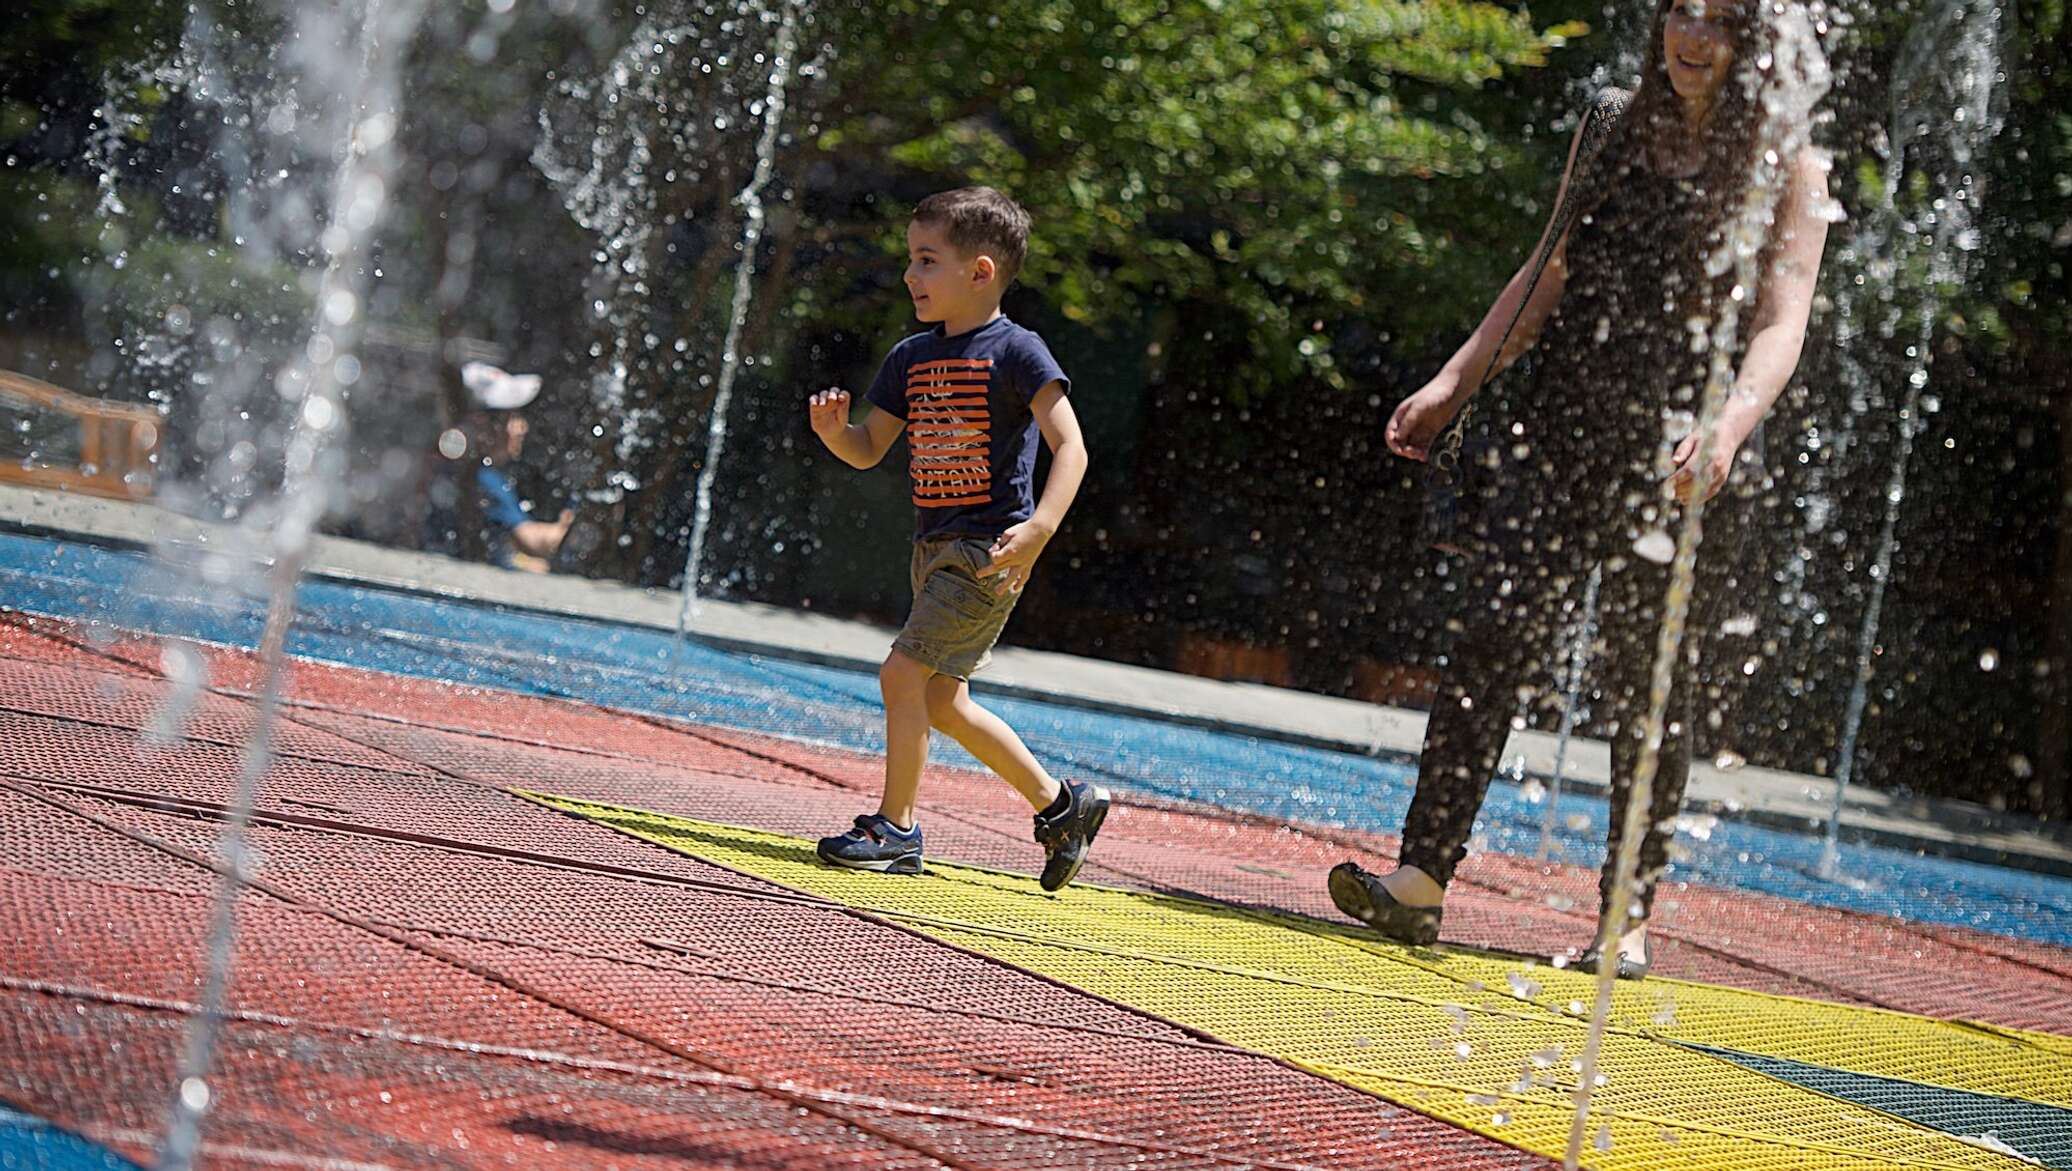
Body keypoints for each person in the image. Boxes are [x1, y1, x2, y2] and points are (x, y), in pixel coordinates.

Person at [1328, 0, 1831, 978]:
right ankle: (1420, 880)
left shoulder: (1787, 161)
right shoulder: (1609, 122)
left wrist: (1725, 430)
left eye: (1718, 23)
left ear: (1754, 42)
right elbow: (1545, 270)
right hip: (1562, 426)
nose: (1690, 38)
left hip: (1685, 450)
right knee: (1489, 632)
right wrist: (1452, 380)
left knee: (1649, 685)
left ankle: (1623, 919)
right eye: (1680, 12)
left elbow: (1781, 318)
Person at [806, 186, 1108, 890]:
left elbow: (1073, 449)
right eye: (911, 260)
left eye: (926, 260)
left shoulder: (1019, 351)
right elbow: (869, 445)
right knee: (942, 699)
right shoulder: (910, 358)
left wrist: (1039, 528)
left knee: (902, 674)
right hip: (932, 547)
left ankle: (896, 828)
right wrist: (834, 436)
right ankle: (1063, 806)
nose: (911, 276)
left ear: (980, 271)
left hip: (987, 550)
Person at [423, 361, 573, 572]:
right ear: (484, 425)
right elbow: (533, 542)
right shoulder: (483, 479)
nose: (521, 428)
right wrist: (575, 525)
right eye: (511, 418)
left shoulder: (461, 471)